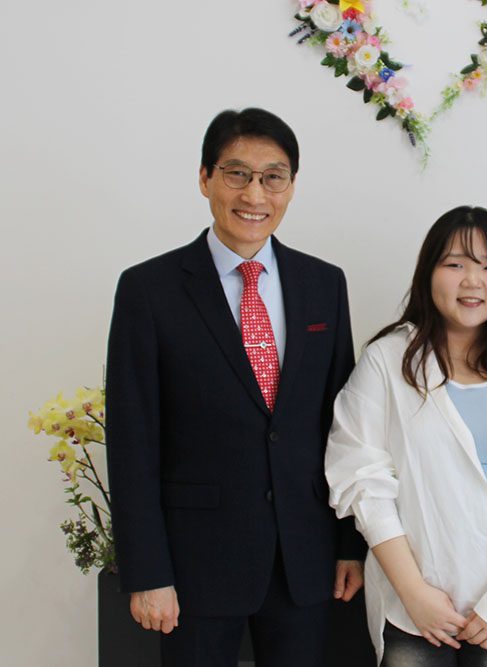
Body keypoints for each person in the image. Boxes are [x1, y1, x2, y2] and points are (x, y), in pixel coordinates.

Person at [105, 107, 365, 667]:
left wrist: (351, 544)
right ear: (205, 179)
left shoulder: (324, 284)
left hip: (304, 557)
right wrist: (147, 572)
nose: (255, 194)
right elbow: (132, 441)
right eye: (236, 174)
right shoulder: (148, 290)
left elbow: (344, 425)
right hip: (195, 564)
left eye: (273, 177)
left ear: (291, 186)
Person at [325, 206, 487, 666]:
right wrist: (413, 592)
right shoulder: (388, 361)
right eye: (455, 264)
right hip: (414, 608)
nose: (473, 281)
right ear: (428, 273)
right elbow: (360, 480)